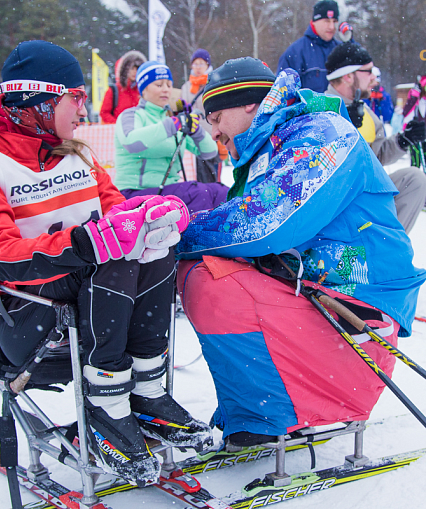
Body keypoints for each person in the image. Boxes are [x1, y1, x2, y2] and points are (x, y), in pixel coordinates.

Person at [0, 40, 212, 486]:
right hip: (31, 315)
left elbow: (117, 214)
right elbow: (1, 253)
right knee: (111, 256)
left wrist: (153, 218)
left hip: (93, 304)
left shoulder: (79, 153)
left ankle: (146, 393)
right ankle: (105, 407)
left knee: (151, 245)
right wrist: (85, 244)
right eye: (75, 98)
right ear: (40, 100)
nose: (83, 110)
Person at [174, 57, 426, 448]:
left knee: (211, 280)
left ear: (247, 104)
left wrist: (181, 233)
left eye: (216, 115)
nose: (214, 130)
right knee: (205, 272)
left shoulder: (320, 133)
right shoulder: (269, 149)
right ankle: (258, 410)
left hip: (359, 314)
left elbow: (265, 223)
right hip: (317, 294)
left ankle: (273, 411)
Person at [325, 42, 426, 234]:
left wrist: (405, 139)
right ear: (348, 76)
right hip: (336, 203)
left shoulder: (367, 112)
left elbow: (378, 155)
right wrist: (342, 124)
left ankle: (389, 249)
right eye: (368, 71)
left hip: (368, 192)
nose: (374, 78)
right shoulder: (318, 107)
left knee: (415, 180)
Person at [114, 60, 228, 213]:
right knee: (199, 193)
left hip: (168, 190)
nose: (166, 90)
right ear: (144, 89)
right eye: (159, 85)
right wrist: (172, 124)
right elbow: (131, 142)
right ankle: (197, 235)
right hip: (134, 192)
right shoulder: (131, 115)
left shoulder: (173, 120)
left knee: (221, 192)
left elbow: (209, 152)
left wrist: (195, 131)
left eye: (168, 85)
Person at [277, 0, 341, 93]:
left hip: (340, 107)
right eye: (326, 21)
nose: (331, 26)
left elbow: (361, 75)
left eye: (334, 21)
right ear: (314, 21)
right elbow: (282, 94)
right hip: (308, 108)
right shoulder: (295, 52)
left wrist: (350, 40)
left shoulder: (341, 50)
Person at [181, 49, 224, 183]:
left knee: (212, 175)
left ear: (208, 65)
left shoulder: (214, 84)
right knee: (196, 176)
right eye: (195, 64)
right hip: (193, 139)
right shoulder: (186, 87)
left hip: (211, 135)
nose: (198, 67)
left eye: (201, 64)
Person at [99, 50, 146, 124]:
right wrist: (118, 125)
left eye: (137, 69)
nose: (134, 72)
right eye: (132, 69)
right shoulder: (114, 90)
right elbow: (104, 113)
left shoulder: (145, 91)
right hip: (118, 132)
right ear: (125, 70)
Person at [402, 75, 426, 168]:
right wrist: (414, 97)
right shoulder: (416, 100)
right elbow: (406, 113)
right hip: (416, 134)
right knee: (415, 162)